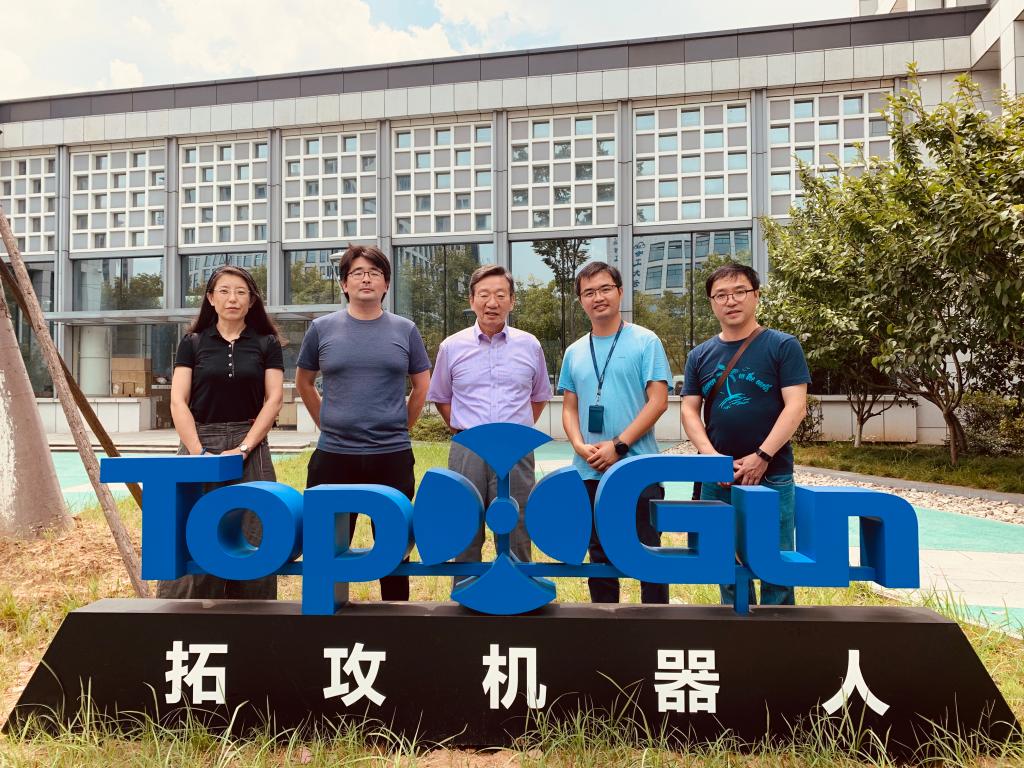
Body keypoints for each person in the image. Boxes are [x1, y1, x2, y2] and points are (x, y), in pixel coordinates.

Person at [295, 244, 431, 602]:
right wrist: (326, 421)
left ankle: (396, 617)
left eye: (374, 273)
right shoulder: (321, 328)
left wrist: (402, 426)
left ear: (386, 284)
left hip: (391, 455)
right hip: (334, 455)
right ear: (344, 284)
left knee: (394, 546)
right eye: (357, 272)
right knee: (325, 544)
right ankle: (324, 616)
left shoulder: (405, 329)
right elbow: (304, 382)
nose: (366, 279)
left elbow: (421, 385)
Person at [681, 263, 810, 607]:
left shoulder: (782, 346)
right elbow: (689, 410)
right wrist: (712, 460)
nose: (731, 301)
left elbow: (796, 407)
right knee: (725, 564)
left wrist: (762, 456)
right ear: (712, 303)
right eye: (721, 295)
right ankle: (735, 627)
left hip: (772, 473)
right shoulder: (699, 355)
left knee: (776, 565)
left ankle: (779, 630)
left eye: (740, 292)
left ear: (756, 296)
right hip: (718, 477)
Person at [165, 264, 285, 599]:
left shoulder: (266, 343)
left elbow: (274, 399)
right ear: (210, 299)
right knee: (193, 530)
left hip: (251, 444)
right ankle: (188, 616)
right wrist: (198, 453)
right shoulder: (192, 342)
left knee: (255, 533)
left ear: (251, 301)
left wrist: (245, 447)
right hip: (199, 441)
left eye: (241, 292)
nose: (233, 298)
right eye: (224, 291)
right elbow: (178, 400)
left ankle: (253, 616)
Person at [558, 262, 672, 604]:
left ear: (620, 292)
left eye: (605, 288)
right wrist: (579, 445)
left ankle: (657, 622)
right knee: (599, 554)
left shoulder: (646, 341)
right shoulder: (574, 351)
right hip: (589, 468)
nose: (598, 297)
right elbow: (569, 407)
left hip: (638, 467)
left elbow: (658, 401)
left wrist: (619, 445)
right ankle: (605, 621)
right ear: (581, 300)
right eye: (589, 292)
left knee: (649, 552)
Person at [427, 264, 551, 571]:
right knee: (465, 527)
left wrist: (515, 430)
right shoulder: (451, 347)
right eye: (483, 295)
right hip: (468, 447)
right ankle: (465, 589)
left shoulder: (530, 345)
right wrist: (466, 431)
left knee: (516, 528)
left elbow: (538, 397)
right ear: (472, 300)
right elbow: (441, 397)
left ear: (512, 301)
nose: (491, 302)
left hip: (516, 449)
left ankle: (518, 589)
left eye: (500, 295)